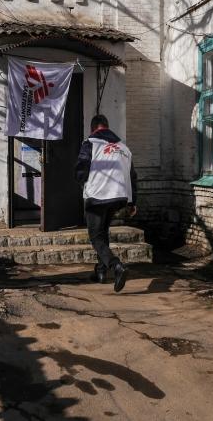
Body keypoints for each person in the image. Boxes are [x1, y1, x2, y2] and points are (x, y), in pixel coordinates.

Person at [75, 114, 137, 292]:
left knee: (96, 237)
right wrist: (132, 203)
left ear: (92, 129)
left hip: (97, 197)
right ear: (108, 127)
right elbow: (133, 177)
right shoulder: (124, 148)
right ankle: (101, 272)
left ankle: (116, 266)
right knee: (103, 233)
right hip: (119, 197)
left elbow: (81, 168)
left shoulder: (90, 143)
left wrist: (83, 184)